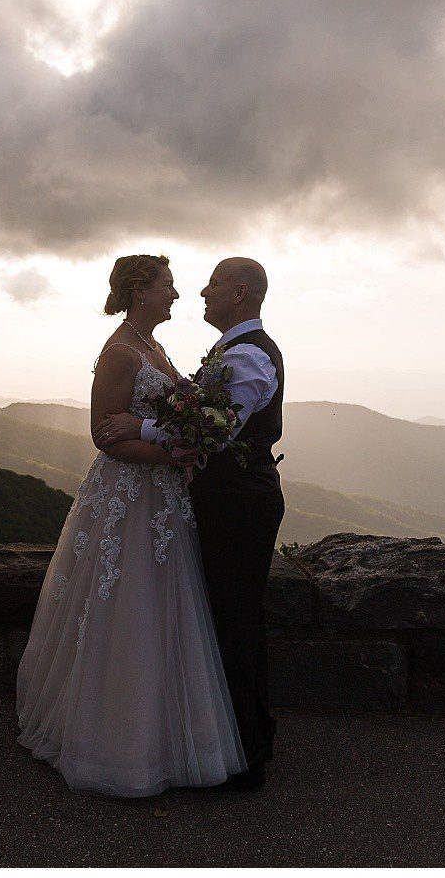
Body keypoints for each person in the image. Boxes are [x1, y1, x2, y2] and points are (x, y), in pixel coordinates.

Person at [15, 254, 246, 798]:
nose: (177, 294)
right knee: (124, 607)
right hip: (129, 497)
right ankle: (112, 742)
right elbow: (104, 435)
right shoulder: (120, 352)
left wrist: (180, 444)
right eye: (168, 285)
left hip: (162, 501)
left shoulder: (154, 349)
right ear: (141, 290)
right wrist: (173, 455)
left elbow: (152, 421)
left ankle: (160, 735)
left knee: (161, 608)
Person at [94, 257, 285, 791]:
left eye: (214, 284)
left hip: (239, 504)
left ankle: (247, 751)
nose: (198, 292)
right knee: (217, 618)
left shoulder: (247, 355)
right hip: (196, 501)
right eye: (175, 285)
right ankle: (218, 740)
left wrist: (144, 427)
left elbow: (211, 430)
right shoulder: (158, 349)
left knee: (234, 621)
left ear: (241, 293)